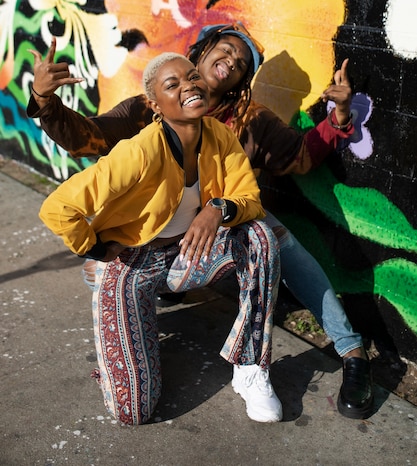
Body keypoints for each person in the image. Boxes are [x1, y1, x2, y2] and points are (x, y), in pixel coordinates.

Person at [28, 22, 373, 420]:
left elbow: (297, 158)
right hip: (143, 239)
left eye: (242, 64)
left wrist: (341, 116)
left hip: (220, 223)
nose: (232, 61)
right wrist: (45, 100)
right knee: (131, 401)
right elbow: (88, 139)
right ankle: (133, 317)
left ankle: (346, 351)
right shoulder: (146, 111)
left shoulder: (245, 120)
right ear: (202, 52)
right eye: (225, 50)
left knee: (272, 238)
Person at [39, 53, 282, 425]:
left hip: (187, 255)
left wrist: (218, 208)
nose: (189, 85)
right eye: (173, 84)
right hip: (134, 262)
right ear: (155, 105)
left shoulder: (220, 136)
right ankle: (118, 316)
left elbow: (249, 199)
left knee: (259, 238)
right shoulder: (138, 151)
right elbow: (58, 208)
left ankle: (250, 366)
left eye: (192, 76)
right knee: (133, 411)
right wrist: (98, 249)